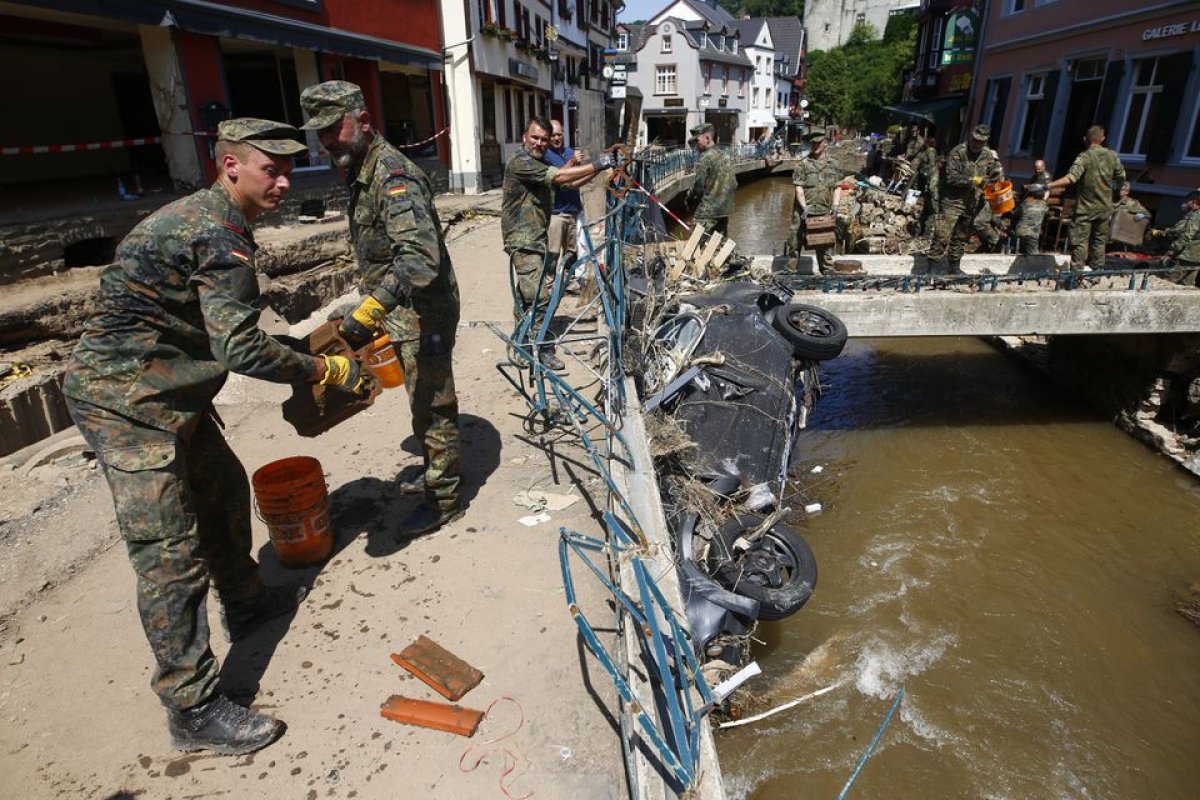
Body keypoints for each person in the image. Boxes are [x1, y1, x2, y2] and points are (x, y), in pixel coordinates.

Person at [62, 118, 370, 756]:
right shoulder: (218, 230)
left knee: (224, 491)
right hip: (128, 403)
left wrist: (300, 351)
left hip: (170, 388)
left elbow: (218, 329)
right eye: (270, 169)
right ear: (230, 166)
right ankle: (193, 707)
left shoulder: (214, 219)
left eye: (291, 169)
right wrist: (321, 367)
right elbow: (238, 348)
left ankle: (246, 600)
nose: (285, 181)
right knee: (169, 556)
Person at [300, 80, 464, 535]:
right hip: (403, 309)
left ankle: (445, 497)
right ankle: (439, 469)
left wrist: (372, 308)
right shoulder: (363, 169)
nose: (329, 140)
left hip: (422, 311)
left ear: (364, 119)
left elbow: (420, 260)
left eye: (335, 128)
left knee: (431, 404)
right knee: (420, 398)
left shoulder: (393, 176)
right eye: (321, 133)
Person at [500, 117, 617, 371]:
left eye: (544, 139)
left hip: (536, 238)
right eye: (536, 138)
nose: (540, 143)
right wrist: (599, 162)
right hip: (523, 239)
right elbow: (562, 176)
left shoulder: (539, 162)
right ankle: (538, 349)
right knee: (540, 295)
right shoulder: (521, 162)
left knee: (528, 294)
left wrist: (597, 168)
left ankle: (522, 343)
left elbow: (570, 182)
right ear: (524, 137)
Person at [1046, 125, 1126, 270]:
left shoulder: (1085, 157)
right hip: (1104, 208)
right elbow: (1121, 177)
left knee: (1080, 242)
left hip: (1085, 209)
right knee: (1099, 242)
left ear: (1085, 139)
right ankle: (1095, 275)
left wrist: (1049, 185)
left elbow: (1071, 178)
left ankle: (1075, 277)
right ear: (1102, 138)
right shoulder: (1113, 156)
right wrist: (1116, 191)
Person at [927, 124, 1004, 274]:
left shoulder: (988, 156)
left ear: (985, 142)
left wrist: (997, 179)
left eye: (981, 142)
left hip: (972, 203)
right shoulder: (958, 152)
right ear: (971, 137)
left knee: (961, 236)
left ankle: (954, 266)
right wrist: (973, 180)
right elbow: (951, 178)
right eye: (975, 140)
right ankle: (933, 267)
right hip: (952, 201)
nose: (977, 144)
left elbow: (994, 175)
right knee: (942, 234)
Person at [788, 130, 844, 274]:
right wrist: (803, 206)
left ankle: (827, 270)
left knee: (824, 240)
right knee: (795, 238)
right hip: (803, 209)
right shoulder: (803, 164)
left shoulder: (834, 164)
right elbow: (798, 187)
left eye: (818, 143)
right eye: (812, 143)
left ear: (825, 143)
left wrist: (836, 206)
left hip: (824, 208)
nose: (815, 146)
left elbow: (838, 186)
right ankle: (791, 269)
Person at [544, 120, 584, 290]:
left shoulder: (570, 152)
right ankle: (549, 282)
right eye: (553, 135)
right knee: (553, 251)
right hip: (556, 211)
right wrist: (574, 163)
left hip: (573, 208)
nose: (556, 138)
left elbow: (578, 179)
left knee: (571, 250)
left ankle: (568, 281)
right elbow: (558, 176)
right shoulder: (546, 155)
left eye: (559, 135)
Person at [686, 122, 736, 235]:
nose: (695, 146)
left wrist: (689, 198)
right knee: (720, 246)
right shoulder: (725, 156)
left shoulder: (705, 158)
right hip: (724, 210)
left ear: (707, 138)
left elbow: (698, 188)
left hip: (708, 211)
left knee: (695, 245)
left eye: (697, 141)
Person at [1160, 188, 1200, 286]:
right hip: (1197, 257)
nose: (1186, 203)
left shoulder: (1196, 216)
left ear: (1194, 201)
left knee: (1167, 282)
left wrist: (1170, 252)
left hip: (1188, 256)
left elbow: (1186, 236)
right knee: (1187, 285)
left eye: (1187, 201)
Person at [910, 140, 941, 235]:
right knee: (931, 213)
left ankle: (920, 232)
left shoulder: (927, 152)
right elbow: (932, 187)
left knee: (925, 213)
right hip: (930, 193)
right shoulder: (934, 170)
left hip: (926, 186)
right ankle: (925, 233)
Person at [1012, 182, 1050, 255]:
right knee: (1034, 258)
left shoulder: (1024, 203)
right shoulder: (1044, 206)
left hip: (1018, 233)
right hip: (1032, 235)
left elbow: (1015, 216)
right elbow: (1047, 219)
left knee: (1018, 254)